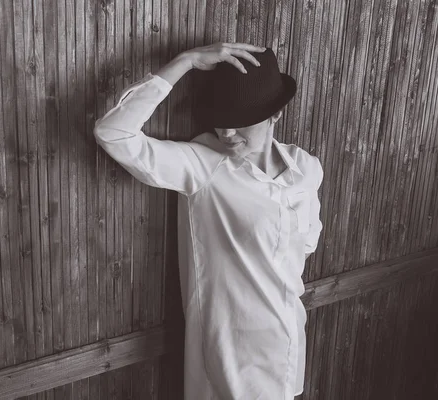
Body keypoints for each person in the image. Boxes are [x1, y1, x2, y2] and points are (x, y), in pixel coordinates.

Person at [93, 42, 324, 400]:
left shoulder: (306, 169)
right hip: (230, 358)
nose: (227, 133)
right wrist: (185, 62)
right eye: (222, 121)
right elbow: (114, 133)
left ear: (275, 115)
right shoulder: (203, 166)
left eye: (239, 121)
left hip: (288, 347)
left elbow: (305, 246)